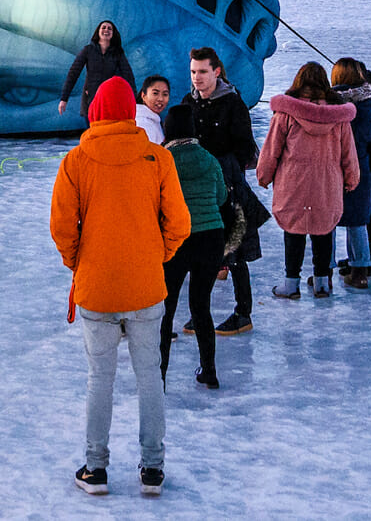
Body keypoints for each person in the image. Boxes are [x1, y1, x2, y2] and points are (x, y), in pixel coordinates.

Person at [50, 77, 187, 497]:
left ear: (95, 111)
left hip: (97, 290)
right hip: (146, 287)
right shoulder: (157, 158)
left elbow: (61, 228)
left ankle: (96, 468)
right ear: (132, 110)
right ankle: (152, 469)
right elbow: (179, 224)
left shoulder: (76, 160)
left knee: (99, 380)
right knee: (150, 380)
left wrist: (80, 261)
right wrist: (156, 256)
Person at [257, 63, 357, 300]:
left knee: (294, 232)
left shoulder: (285, 114)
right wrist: (352, 179)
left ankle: (291, 284)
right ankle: (322, 283)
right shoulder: (339, 117)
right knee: (323, 231)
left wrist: (264, 175)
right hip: (327, 184)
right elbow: (348, 153)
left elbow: (272, 149)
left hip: (294, 183)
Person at [179, 48, 261, 334]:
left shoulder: (233, 104)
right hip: (196, 191)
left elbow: (244, 149)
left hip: (228, 187)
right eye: (193, 72)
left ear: (216, 71)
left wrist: (220, 171)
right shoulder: (188, 102)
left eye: (202, 71)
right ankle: (200, 313)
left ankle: (243, 312)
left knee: (235, 253)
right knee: (201, 255)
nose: (197, 78)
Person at [156, 103, 228, 389]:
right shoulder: (209, 159)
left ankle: (159, 376)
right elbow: (221, 197)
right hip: (211, 238)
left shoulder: (163, 159)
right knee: (201, 307)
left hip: (176, 239)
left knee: (166, 309)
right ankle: (209, 371)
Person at [329, 59, 371, 288]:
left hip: (332, 165)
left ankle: (324, 270)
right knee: (359, 220)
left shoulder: (329, 104)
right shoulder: (369, 104)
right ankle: (360, 269)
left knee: (327, 220)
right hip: (361, 164)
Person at [59, 20, 135, 121]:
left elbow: (128, 74)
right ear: (98, 31)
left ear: (113, 33)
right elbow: (73, 73)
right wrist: (64, 98)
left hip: (109, 99)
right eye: (103, 27)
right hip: (90, 98)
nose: (106, 30)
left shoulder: (118, 53)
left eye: (109, 28)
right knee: (92, 132)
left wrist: (135, 100)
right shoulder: (88, 50)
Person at [135, 75, 170, 145]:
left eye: (165, 94)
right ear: (143, 96)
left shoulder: (152, 119)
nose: (160, 99)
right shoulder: (143, 124)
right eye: (155, 93)